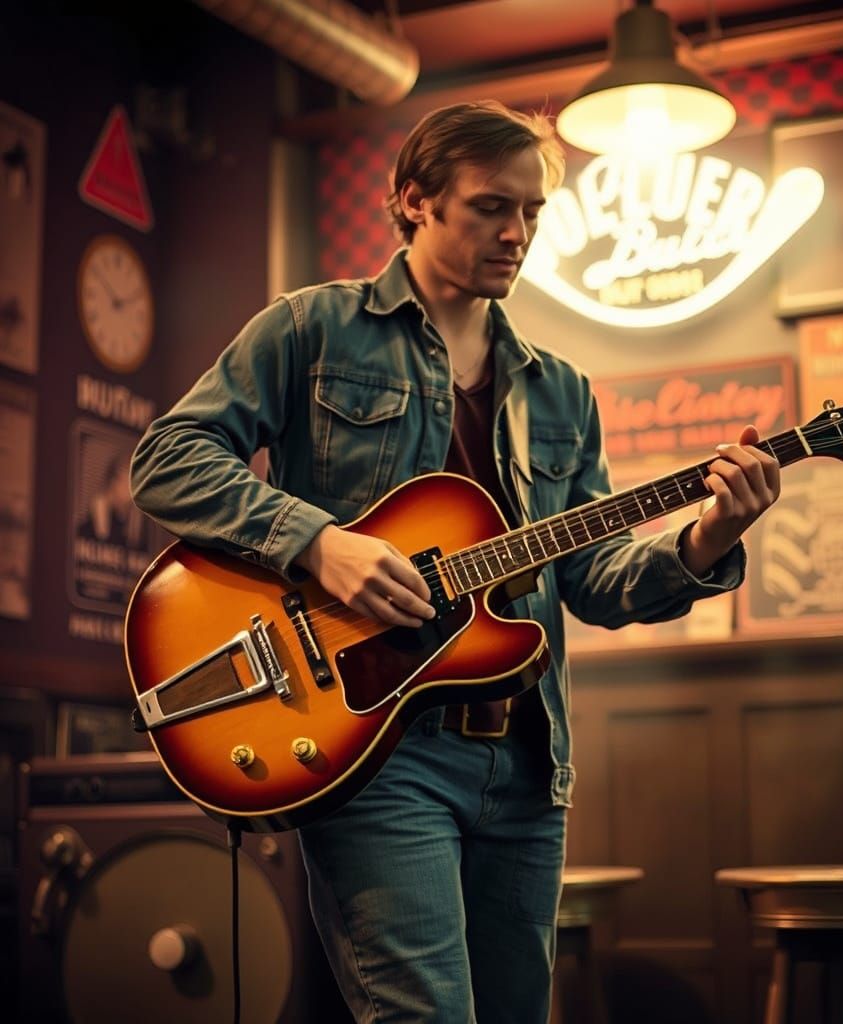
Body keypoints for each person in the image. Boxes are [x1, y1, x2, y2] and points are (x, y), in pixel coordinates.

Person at [130, 100, 781, 1023]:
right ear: (412, 202)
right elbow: (166, 458)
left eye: (533, 213)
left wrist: (709, 538)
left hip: (525, 760)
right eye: (489, 207)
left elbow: (589, 579)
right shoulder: (313, 329)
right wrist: (319, 544)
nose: (516, 233)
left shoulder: (559, 390)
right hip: (380, 748)